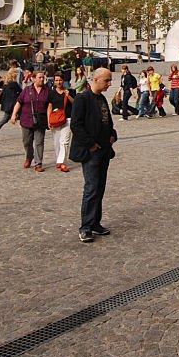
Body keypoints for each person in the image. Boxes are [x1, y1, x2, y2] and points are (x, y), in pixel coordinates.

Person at [70, 68, 117, 244]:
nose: (109, 84)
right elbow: (76, 125)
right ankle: (86, 227)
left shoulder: (102, 99)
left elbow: (106, 121)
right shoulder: (83, 99)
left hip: (104, 149)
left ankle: (95, 222)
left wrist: (113, 134)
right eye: (107, 80)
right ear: (96, 79)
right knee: (91, 188)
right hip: (91, 152)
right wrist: (91, 144)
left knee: (100, 187)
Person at [11, 70, 50, 171]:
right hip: (27, 119)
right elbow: (19, 102)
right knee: (27, 142)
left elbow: (50, 105)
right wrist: (14, 114)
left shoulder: (47, 90)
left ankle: (38, 163)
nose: (42, 79)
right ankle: (29, 157)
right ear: (33, 79)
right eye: (40, 77)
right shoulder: (27, 90)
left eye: (43, 78)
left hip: (41, 120)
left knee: (39, 142)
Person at [48, 73, 74, 172]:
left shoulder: (69, 91)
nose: (58, 82)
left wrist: (68, 96)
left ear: (63, 81)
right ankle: (59, 160)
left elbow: (75, 103)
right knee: (57, 142)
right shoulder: (51, 93)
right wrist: (48, 120)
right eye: (56, 80)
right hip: (55, 119)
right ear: (54, 81)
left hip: (67, 118)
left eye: (60, 80)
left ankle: (62, 162)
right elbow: (49, 107)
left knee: (65, 141)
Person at [0, 69, 21, 142]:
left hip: (7, 105)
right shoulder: (14, 84)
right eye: (16, 73)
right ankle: (29, 134)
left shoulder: (6, 84)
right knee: (22, 117)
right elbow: (20, 93)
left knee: (5, 119)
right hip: (12, 106)